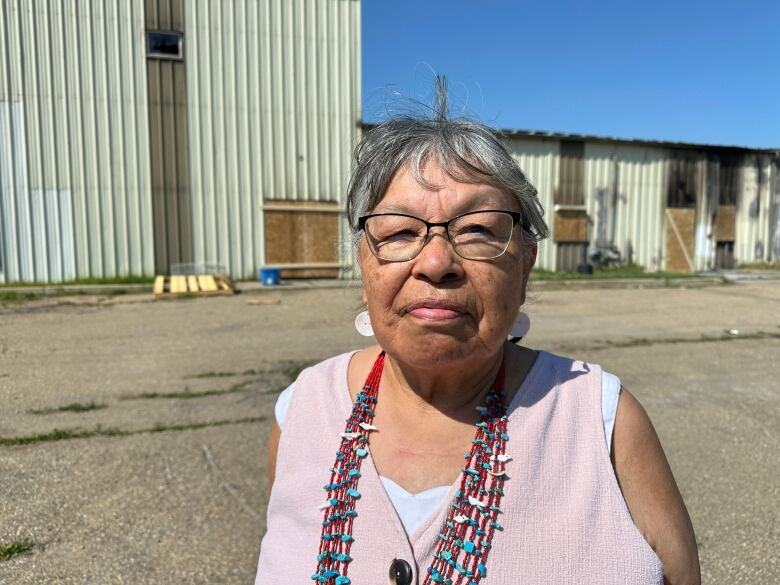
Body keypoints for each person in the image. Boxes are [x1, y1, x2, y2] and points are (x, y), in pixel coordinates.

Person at [255, 81, 700, 585]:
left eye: (479, 230)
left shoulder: (604, 420)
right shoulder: (301, 413)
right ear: (363, 266)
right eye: (400, 231)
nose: (437, 262)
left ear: (526, 265)